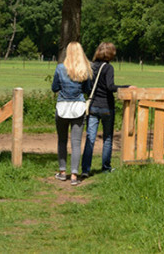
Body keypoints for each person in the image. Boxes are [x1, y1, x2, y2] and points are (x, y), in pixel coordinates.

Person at [81, 42, 130, 177]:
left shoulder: (90, 66)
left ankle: (85, 169)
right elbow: (110, 87)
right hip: (107, 107)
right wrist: (126, 86)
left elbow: (86, 87)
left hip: (92, 107)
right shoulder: (108, 68)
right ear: (111, 53)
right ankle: (105, 167)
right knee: (107, 138)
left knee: (90, 138)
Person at [52, 41, 92, 186]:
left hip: (63, 106)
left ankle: (62, 172)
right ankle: (74, 175)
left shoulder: (60, 68)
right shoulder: (85, 69)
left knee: (62, 140)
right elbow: (87, 89)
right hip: (78, 107)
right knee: (76, 143)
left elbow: (54, 87)